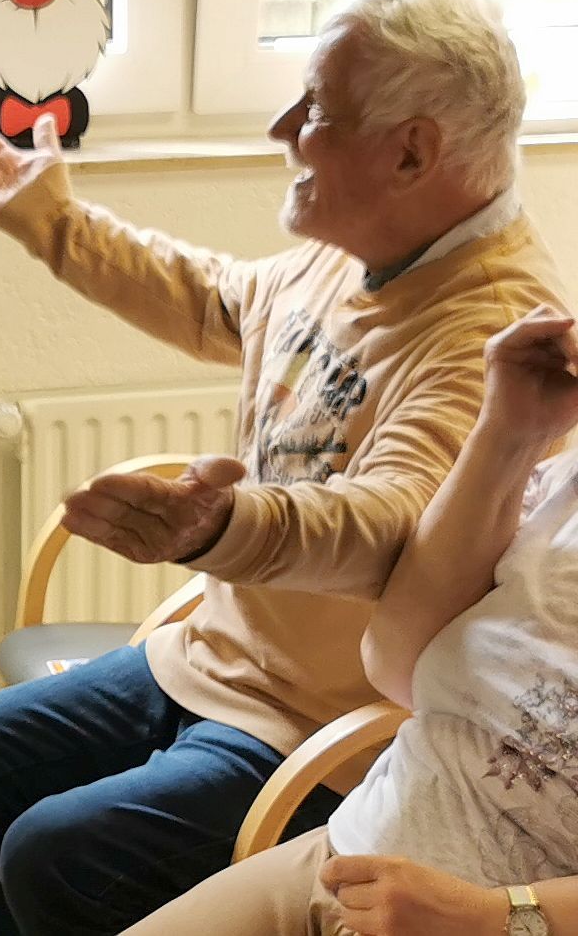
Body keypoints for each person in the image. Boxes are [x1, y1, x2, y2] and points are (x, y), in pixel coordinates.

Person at [0, 0, 568, 936]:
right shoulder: (365, 245)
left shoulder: (492, 326)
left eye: (318, 110)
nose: (283, 127)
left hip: (317, 726)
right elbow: (222, 300)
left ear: (412, 151)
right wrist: (54, 223)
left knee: (56, 852)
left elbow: (389, 523)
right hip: (212, 657)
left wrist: (224, 524)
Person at [123, 306, 578, 936]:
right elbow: (396, 664)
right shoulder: (560, 484)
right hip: (353, 855)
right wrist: (508, 435)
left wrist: (499, 916)